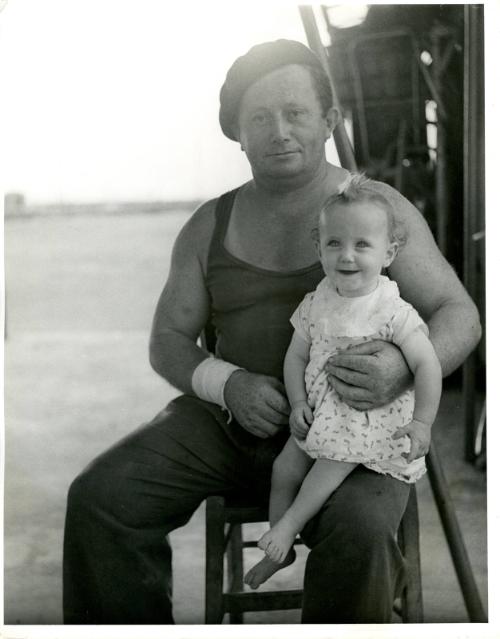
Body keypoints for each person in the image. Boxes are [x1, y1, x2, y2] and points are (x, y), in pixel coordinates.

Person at [63, 39, 481, 624]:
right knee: (103, 498)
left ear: (330, 121)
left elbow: (459, 314)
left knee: (360, 531)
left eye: (296, 113)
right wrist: (225, 383)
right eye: (259, 117)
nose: (279, 131)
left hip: (355, 432)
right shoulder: (210, 223)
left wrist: (402, 366)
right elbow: (167, 341)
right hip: (232, 426)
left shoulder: (375, 209)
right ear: (237, 131)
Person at [244, 173, 442, 589]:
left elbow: (427, 365)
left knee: (324, 474)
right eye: (335, 243)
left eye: (362, 245)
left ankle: (285, 529)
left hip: (364, 422)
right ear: (319, 247)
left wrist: (422, 422)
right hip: (320, 416)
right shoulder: (317, 300)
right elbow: (295, 356)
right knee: (284, 469)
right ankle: (279, 549)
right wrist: (298, 403)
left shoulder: (391, 309)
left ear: (389, 252)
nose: (347, 256)